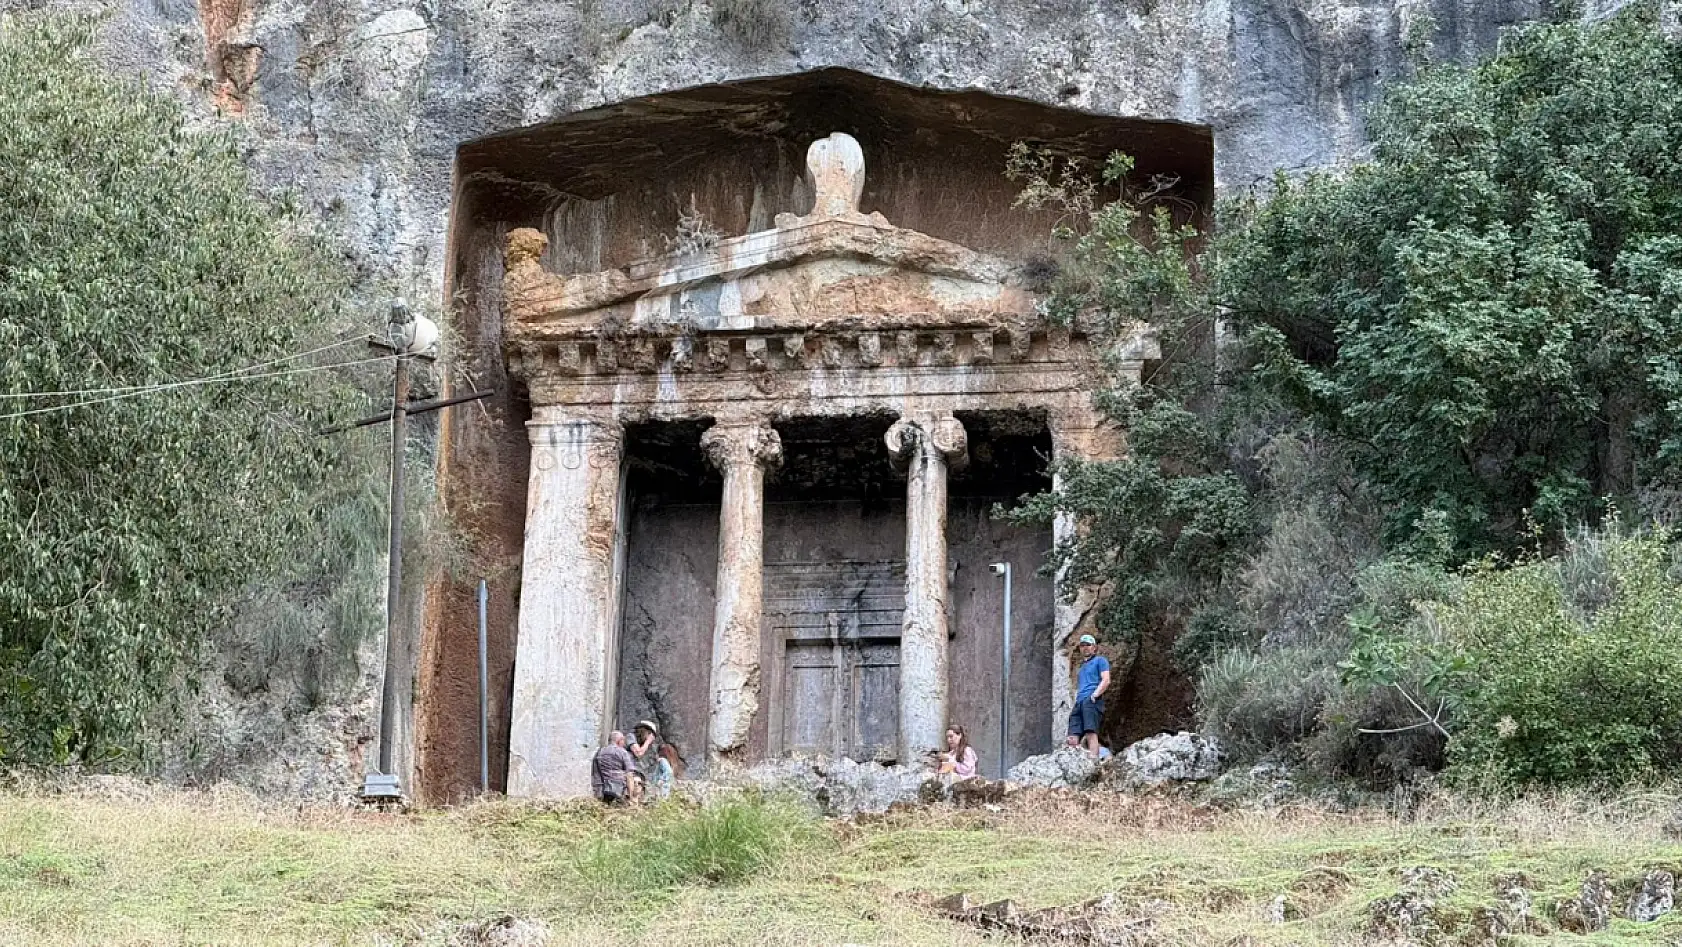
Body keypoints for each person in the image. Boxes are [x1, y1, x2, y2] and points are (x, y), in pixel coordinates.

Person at [1067, 633, 1110, 759]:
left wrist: (1095, 695)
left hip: (1091, 700)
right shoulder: (1082, 668)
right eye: (1082, 645)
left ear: (1094, 647)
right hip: (1079, 702)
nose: (1085, 647)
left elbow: (1106, 679)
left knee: (1090, 731)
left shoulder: (1100, 661)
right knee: (1072, 737)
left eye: (1088, 645)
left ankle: (1093, 762)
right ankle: (1074, 764)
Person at [590, 730, 636, 805]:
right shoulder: (622, 752)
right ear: (619, 741)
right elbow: (629, 775)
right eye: (623, 740)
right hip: (619, 792)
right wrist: (631, 798)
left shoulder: (599, 752)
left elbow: (595, 775)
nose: (624, 743)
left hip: (603, 792)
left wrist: (597, 794)